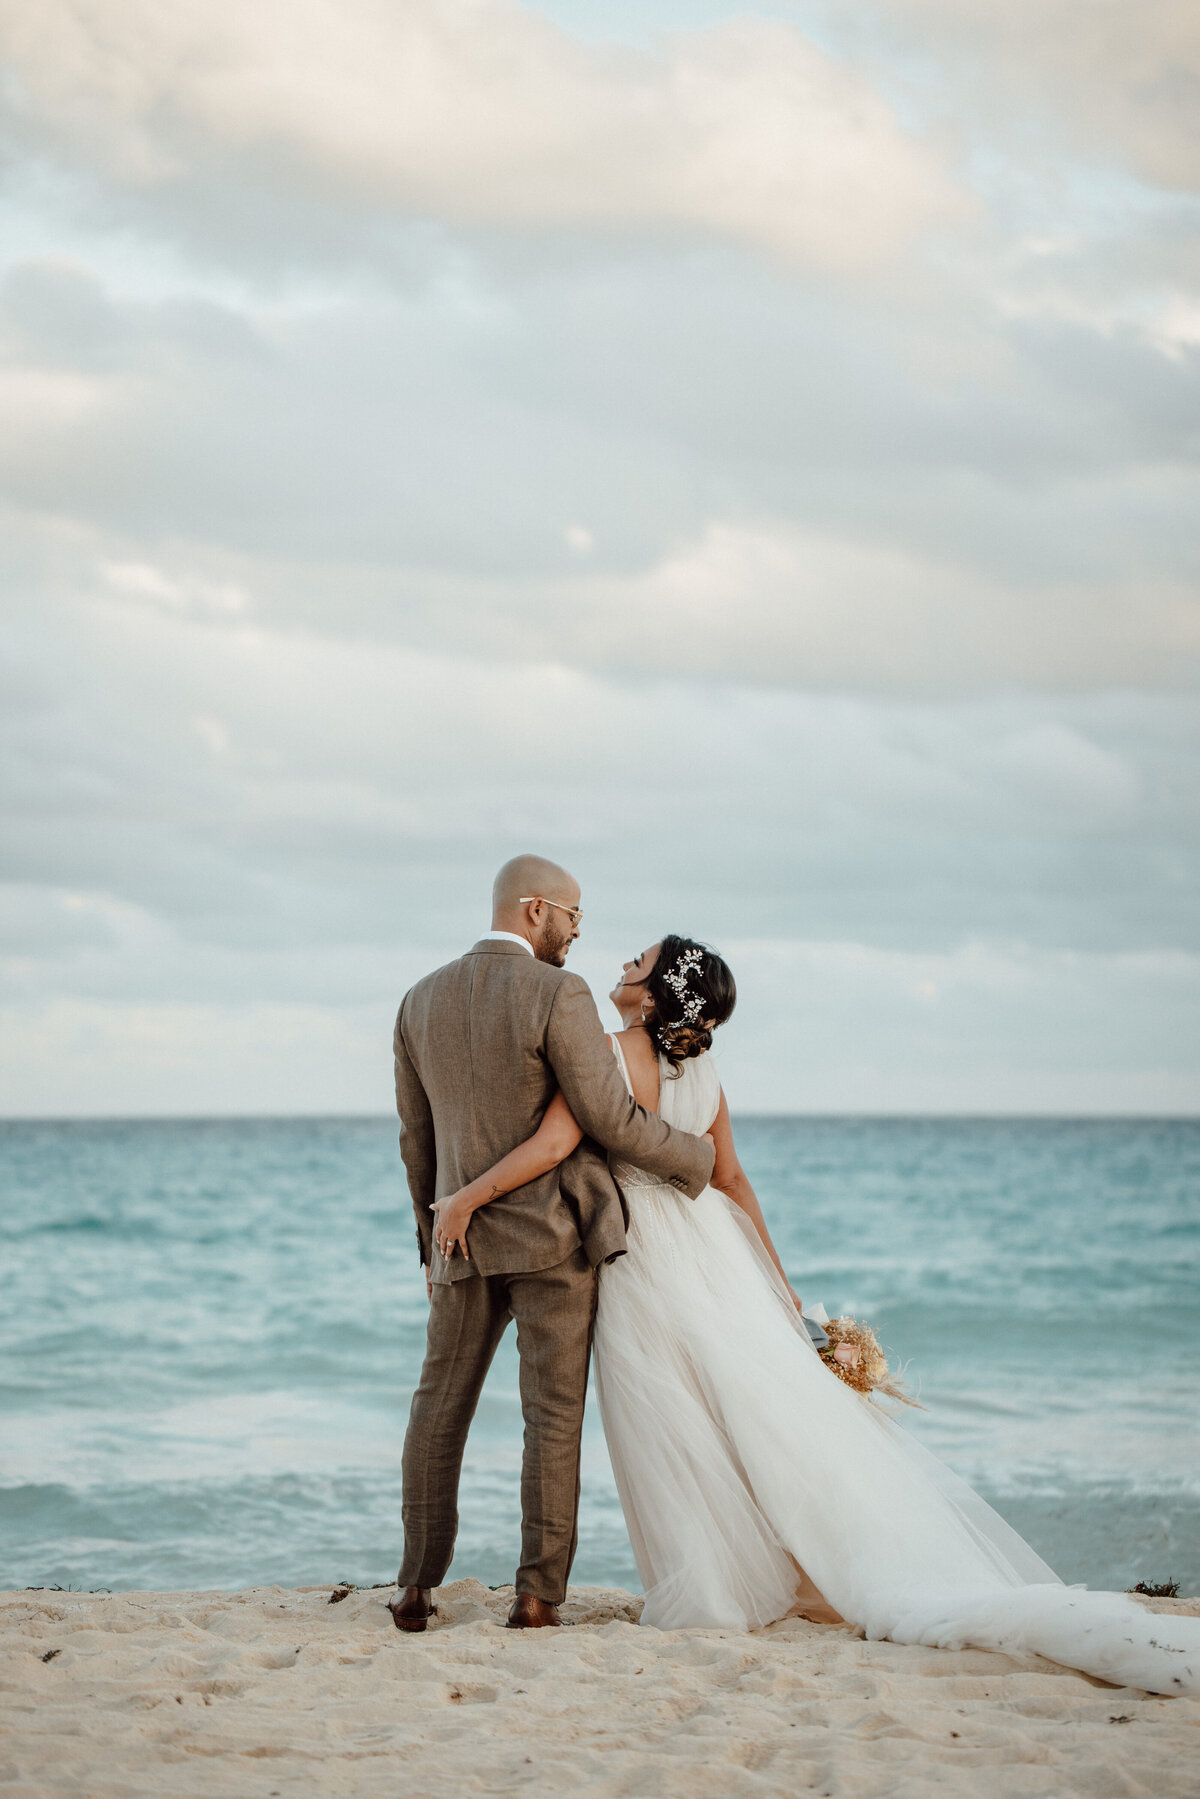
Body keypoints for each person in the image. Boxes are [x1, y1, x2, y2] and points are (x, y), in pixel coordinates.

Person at [432, 934, 1200, 1695]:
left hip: (645, 1258)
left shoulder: (608, 1049)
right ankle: (781, 1566)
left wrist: (467, 1196)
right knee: (751, 1407)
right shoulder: (706, 1070)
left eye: (642, 958)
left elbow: (555, 1141)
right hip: (714, 1251)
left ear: (659, 988)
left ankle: (715, 1588)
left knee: (671, 1423)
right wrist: (777, 1281)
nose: (626, 960)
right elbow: (732, 1179)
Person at [389, 858, 715, 1632]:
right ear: (534, 909)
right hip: (552, 1240)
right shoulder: (556, 993)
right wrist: (695, 1157)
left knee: (437, 1410)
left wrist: (429, 1240)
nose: (575, 933)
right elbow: (608, 1118)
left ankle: (413, 1585)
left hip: (458, 1242)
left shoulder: (417, 1001)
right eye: (571, 915)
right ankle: (537, 1596)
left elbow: (417, 1141)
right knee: (553, 1419)